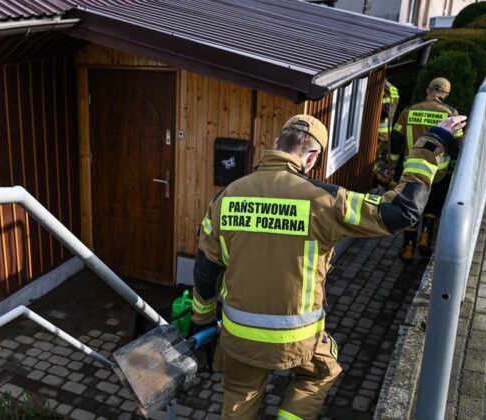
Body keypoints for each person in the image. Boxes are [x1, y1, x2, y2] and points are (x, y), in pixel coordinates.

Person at [191, 113, 467, 419]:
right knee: (321, 371)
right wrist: (430, 145)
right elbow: (401, 210)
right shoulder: (325, 200)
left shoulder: (224, 198)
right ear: (312, 157)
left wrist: (202, 321)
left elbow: (206, 270)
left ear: (274, 145)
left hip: (238, 338)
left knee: (239, 399)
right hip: (297, 339)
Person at [389, 77, 463, 262]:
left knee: (411, 208)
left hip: (412, 170)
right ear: (445, 94)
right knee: (432, 206)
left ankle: (408, 248)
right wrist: (454, 168)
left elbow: (396, 140)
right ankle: (425, 238)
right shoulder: (451, 113)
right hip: (439, 172)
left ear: (428, 90)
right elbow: (458, 145)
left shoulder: (409, 110)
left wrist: (392, 165)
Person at [373, 80, 400, 189]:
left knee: (375, 163)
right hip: (386, 133)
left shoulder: (381, 88)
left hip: (378, 133)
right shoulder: (393, 88)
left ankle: (384, 183)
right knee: (381, 162)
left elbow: (384, 112)